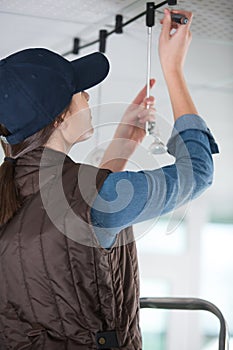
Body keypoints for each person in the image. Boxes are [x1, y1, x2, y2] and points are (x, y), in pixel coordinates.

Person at [0, 9, 218, 350]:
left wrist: (123, 144)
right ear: (60, 116)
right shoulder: (91, 199)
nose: (87, 96)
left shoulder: (11, 195)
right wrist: (173, 69)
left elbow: (76, 237)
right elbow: (199, 173)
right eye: (79, 91)